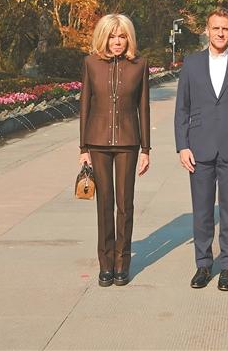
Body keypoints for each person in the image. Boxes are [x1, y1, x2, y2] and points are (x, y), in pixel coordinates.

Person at [174, 8, 228, 292]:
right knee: (201, 211)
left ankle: (226, 267)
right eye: (216, 28)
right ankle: (203, 264)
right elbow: (182, 108)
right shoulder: (192, 63)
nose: (220, 33)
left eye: (225, 29)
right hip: (198, 147)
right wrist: (182, 145)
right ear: (207, 30)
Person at [79, 14, 151, 288]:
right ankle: (105, 263)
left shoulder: (139, 64)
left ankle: (122, 263)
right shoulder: (91, 63)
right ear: (103, 37)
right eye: (112, 36)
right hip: (97, 141)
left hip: (128, 142)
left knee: (125, 204)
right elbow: (85, 104)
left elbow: (143, 106)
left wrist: (146, 148)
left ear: (129, 38)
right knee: (104, 204)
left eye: (122, 36)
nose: (117, 41)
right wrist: (83, 147)